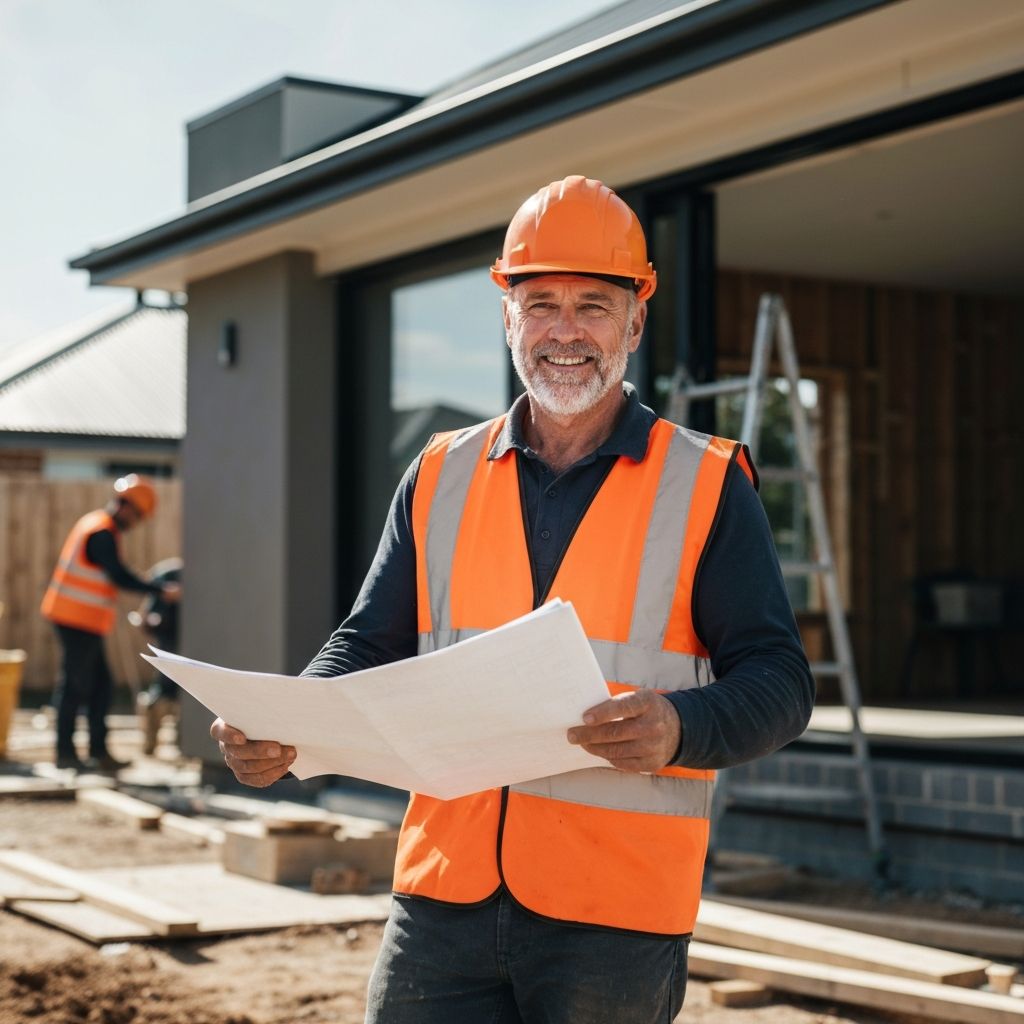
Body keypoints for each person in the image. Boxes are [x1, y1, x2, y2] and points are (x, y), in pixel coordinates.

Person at [212, 175, 814, 1023]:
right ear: (507, 320)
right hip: (442, 897)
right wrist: (289, 718)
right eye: (540, 305)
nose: (564, 332)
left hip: (614, 915)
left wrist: (682, 726)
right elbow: (365, 642)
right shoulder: (438, 474)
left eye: (593, 306)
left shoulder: (708, 483)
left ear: (635, 321)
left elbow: (782, 683)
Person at [41, 474, 180, 772]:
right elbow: (118, 575)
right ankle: (65, 753)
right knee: (75, 686)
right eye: (139, 516)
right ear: (128, 507)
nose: (136, 523)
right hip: (75, 618)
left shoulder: (99, 527)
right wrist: (159, 590)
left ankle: (97, 751)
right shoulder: (101, 532)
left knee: (100, 686)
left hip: (83, 619)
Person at [130, 556, 183, 755]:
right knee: (160, 695)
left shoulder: (189, 574)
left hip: (194, 647)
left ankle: (183, 744)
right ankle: (150, 743)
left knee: (186, 698)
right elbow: (146, 619)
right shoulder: (167, 574)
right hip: (170, 646)